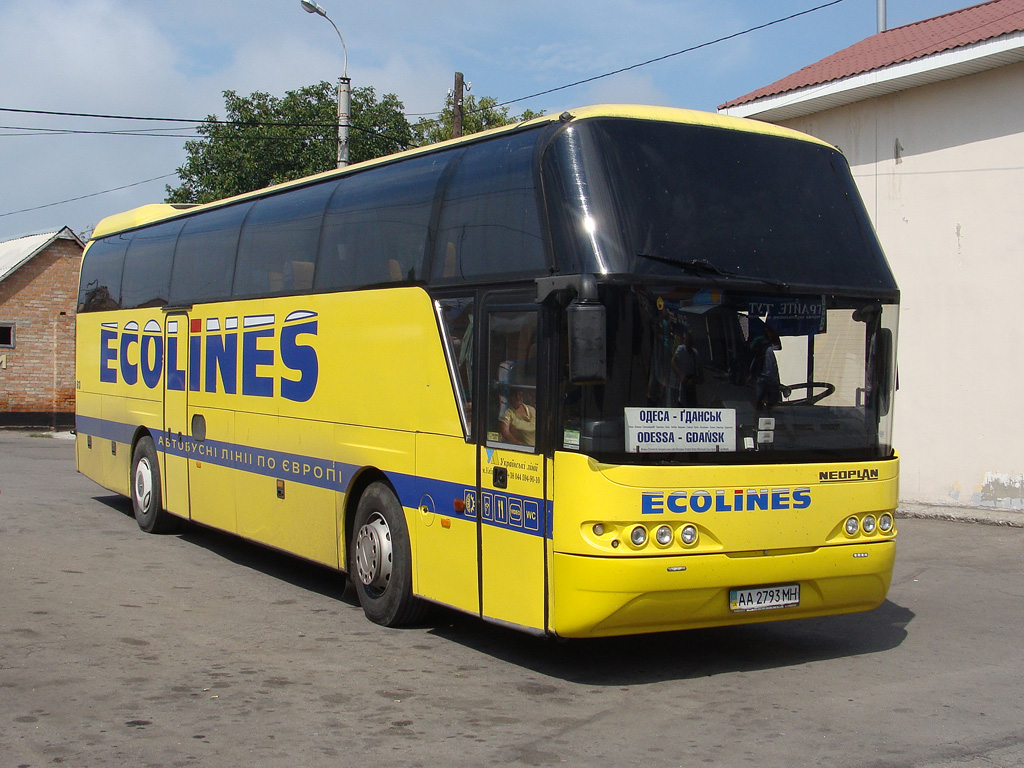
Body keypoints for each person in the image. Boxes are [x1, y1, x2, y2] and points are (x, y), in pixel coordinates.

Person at [671, 330, 700, 407]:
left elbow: (699, 371)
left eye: (687, 341)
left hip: (691, 385)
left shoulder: (695, 353)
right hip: (682, 382)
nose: (685, 343)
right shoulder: (681, 349)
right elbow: (673, 362)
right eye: (684, 340)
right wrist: (680, 376)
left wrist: (693, 380)